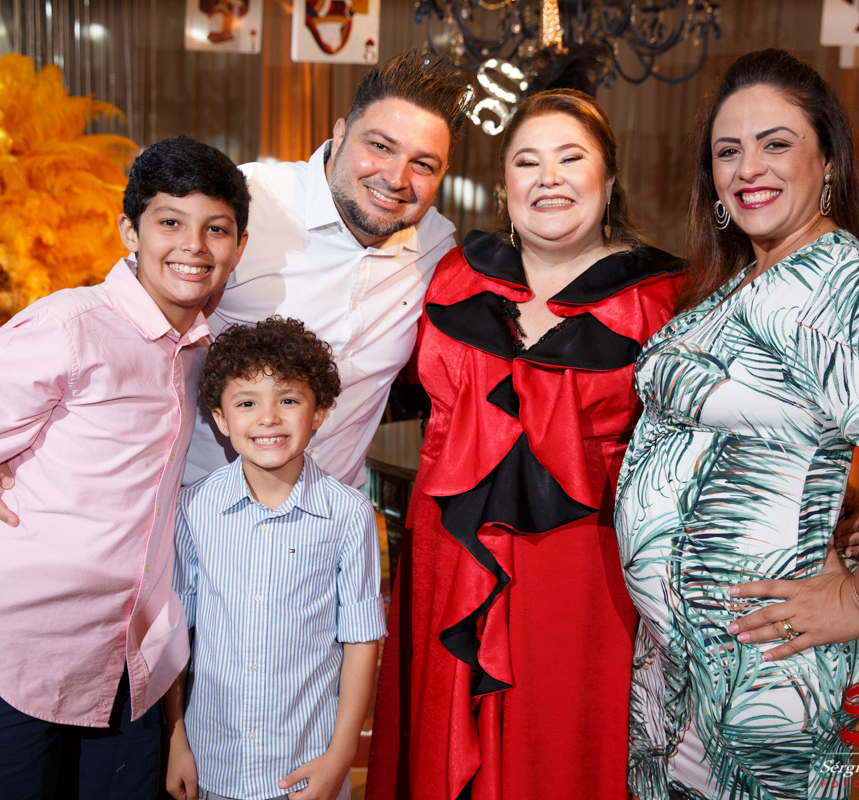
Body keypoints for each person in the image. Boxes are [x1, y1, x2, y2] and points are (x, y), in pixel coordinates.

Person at [614, 49, 859, 800]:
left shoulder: (839, 278)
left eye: (776, 143)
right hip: (687, 668)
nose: (748, 167)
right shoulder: (747, 276)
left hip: (764, 673)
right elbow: (783, 421)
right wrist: (829, 499)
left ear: (829, 164)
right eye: (728, 150)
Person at [367, 89, 685, 800]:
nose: (549, 178)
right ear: (504, 183)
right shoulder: (450, 274)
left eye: (571, 159)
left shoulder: (667, 299)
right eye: (527, 161)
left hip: (585, 574)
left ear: (609, 181)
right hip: (448, 556)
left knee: (563, 747)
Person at [0, 136, 250, 798]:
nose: (194, 245)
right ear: (130, 231)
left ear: (238, 246)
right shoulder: (68, 325)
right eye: (170, 222)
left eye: (217, 228)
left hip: (130, 664)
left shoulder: (203, 353)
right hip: (18, 656)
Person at [183, 45, 470, 488]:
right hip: (202, 508)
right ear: (340, 133)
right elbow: (139, 323)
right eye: (380, 146)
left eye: (423, 164)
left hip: (332, 516)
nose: (396, 178)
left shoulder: (434, 248)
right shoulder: (248, 202)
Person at [165, 317, 385, 800]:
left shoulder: (348, 514)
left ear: (319, 411)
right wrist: (175, 738)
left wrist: (341, 755)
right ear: (221, 418)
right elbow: (176, 633)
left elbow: (361, 640)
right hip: (213, 765)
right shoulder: (193, 509)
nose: (268, 418)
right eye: (247, 403)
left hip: (307, 767)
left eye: (288, 400)